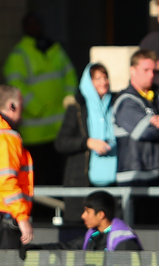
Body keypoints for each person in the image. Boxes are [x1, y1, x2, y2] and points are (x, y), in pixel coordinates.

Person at [3, 12, 77, 186]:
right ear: (24, 28)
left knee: (57, 174)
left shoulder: (55, 49)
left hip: (58, 126)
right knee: (35, 176)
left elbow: (70, 74)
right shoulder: (19, 55)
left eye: (38, 23)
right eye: (31, 24)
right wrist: (38, 107)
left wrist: (67, 100)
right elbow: (16, 85)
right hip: (34, 131)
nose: (35, 27)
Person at [113, 49, 159, 224]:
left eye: (154, 71)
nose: (151, 75)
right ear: (132, 70)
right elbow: (145, 132)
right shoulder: (125, 101)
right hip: (136, 182)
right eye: (146, 70)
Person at [54, 63, 117, 225]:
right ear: (88, 82)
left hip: (112, 182)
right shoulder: (77, 107)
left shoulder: (116, 104)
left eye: (105, 77)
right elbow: (61, 143)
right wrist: (87, 142)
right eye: (97, 78)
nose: (103, 82)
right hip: (82, 180)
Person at [20, 191, 142, 258]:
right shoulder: (93, 234)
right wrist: (37, 249)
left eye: (87, 212)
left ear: (101, 214)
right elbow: (66, 247)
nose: (83, 216)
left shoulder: (125, 242)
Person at [0, 85, 33, 249]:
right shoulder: (7, 136)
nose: (23, 108)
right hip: (6, 216)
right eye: (21, 104)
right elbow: (6, 180)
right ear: (12, 106)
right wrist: (22, 218)